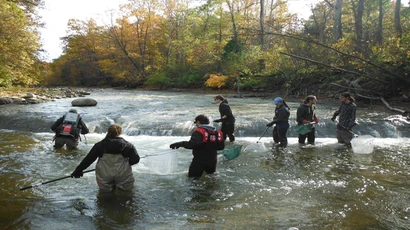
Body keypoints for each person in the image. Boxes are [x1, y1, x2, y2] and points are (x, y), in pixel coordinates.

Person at [71, 124, 140, 192]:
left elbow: (88, 160)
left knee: (104, 194)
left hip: (104, 173)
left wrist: (78, 171)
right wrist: (128, 163)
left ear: (108, 132)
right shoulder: (128, 145)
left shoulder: (99, 145)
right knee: (126, 194)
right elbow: (136, 159)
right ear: (120, 133)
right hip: (123, 173)